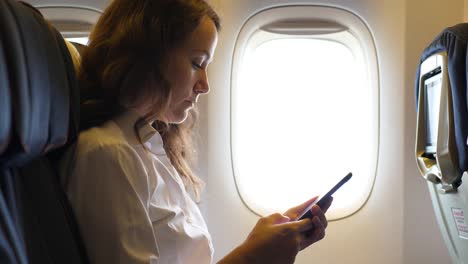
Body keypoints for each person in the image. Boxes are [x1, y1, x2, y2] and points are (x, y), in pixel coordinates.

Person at [60, 0, 332, 263]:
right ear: (150, 56)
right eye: (197, 63)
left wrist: (266, 247)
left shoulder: (146, 147)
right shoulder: (107, 154)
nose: (205, 85)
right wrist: (253, 256)